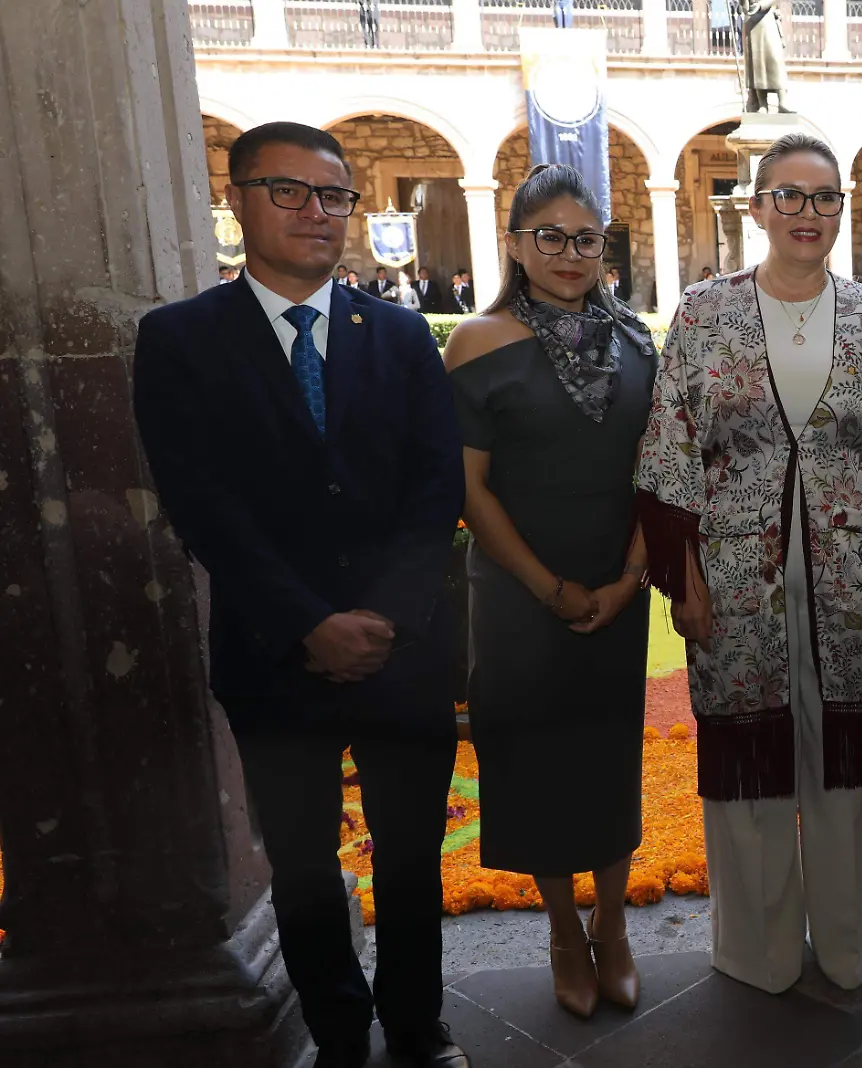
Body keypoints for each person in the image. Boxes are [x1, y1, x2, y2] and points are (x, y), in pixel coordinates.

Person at [131, 122, 468, 1068]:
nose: (316, 214)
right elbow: (201, 504)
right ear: (235, 200)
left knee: (408, 860)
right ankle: (337, 1035)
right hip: (275, 657)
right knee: (306, 866)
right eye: (290, 191)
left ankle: (414, 1026)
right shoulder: (181, 340)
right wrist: (308, 623)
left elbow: (434, 488)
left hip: (402, 655)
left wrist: (389, 618)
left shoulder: (398, 335)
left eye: (334, 197)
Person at [636, 132, 862, 994]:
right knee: (750, 757)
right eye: (787, 196)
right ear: (755, 207)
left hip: (851, 569)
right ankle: (755, 947)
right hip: (732, 572)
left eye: (823, 196)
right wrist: (679, 575)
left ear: (842, 208)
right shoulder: (705, 312)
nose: (806, 212)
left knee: (846, 756)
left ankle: (854, 937)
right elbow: (671, 445)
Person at [444, 163, 658, 1020]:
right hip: (518, 592)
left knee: (610, 757)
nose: (571, 254)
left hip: (620, 580)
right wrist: (551, 589)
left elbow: (662, 468)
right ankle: (564, 929)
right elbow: (469, 489)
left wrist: (629, 576)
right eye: (550, 237)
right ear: (515, 244)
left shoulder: (637, 337)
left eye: (586, 238)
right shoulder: (478, 341)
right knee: (534, 758)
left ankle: (612, 922)